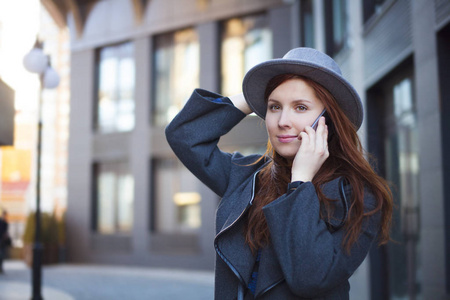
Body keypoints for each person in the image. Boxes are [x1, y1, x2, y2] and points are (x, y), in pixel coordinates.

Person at [165, 47, 393, 299]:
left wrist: (301, 183)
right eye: (274, 107)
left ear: (329, 120)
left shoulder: (358, 194)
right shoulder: (248, 176)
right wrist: (252, 97)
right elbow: (184, 136)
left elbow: (311, 278)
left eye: (300, 107)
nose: (283, 120)